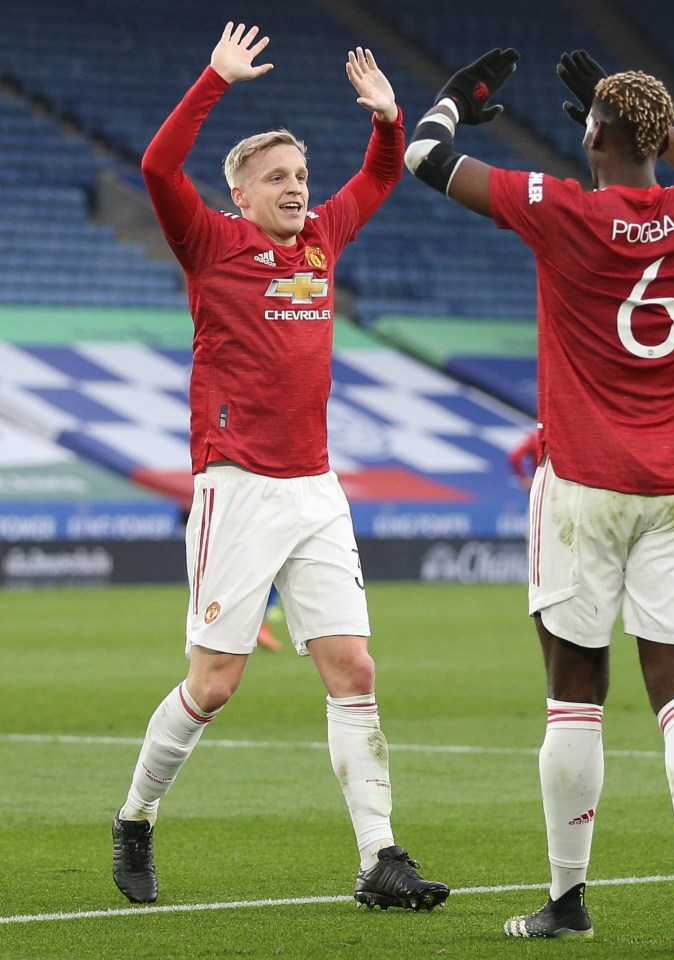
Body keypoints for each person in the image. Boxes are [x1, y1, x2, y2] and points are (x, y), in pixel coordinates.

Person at [404, 47, 674, 952]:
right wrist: (638, 118)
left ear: (589, 137)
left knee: (573, 696)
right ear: (651, 139)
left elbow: (424, 160)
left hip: (585, 485)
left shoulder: (560, 210)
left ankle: (567, 899)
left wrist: (453, 102)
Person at [111, 21, 449, 914]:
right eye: (278, 178)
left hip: (315, 488)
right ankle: (136, 816)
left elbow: (379, 175)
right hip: (239, 487)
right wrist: (214, 78)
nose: (298, 189)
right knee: (214, 685)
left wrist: (386, 119)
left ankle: (380, 858)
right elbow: (155, 168)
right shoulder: (210, 244)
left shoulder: (322, 242)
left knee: (355, 670)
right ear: (239, 192)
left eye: (300, 176)